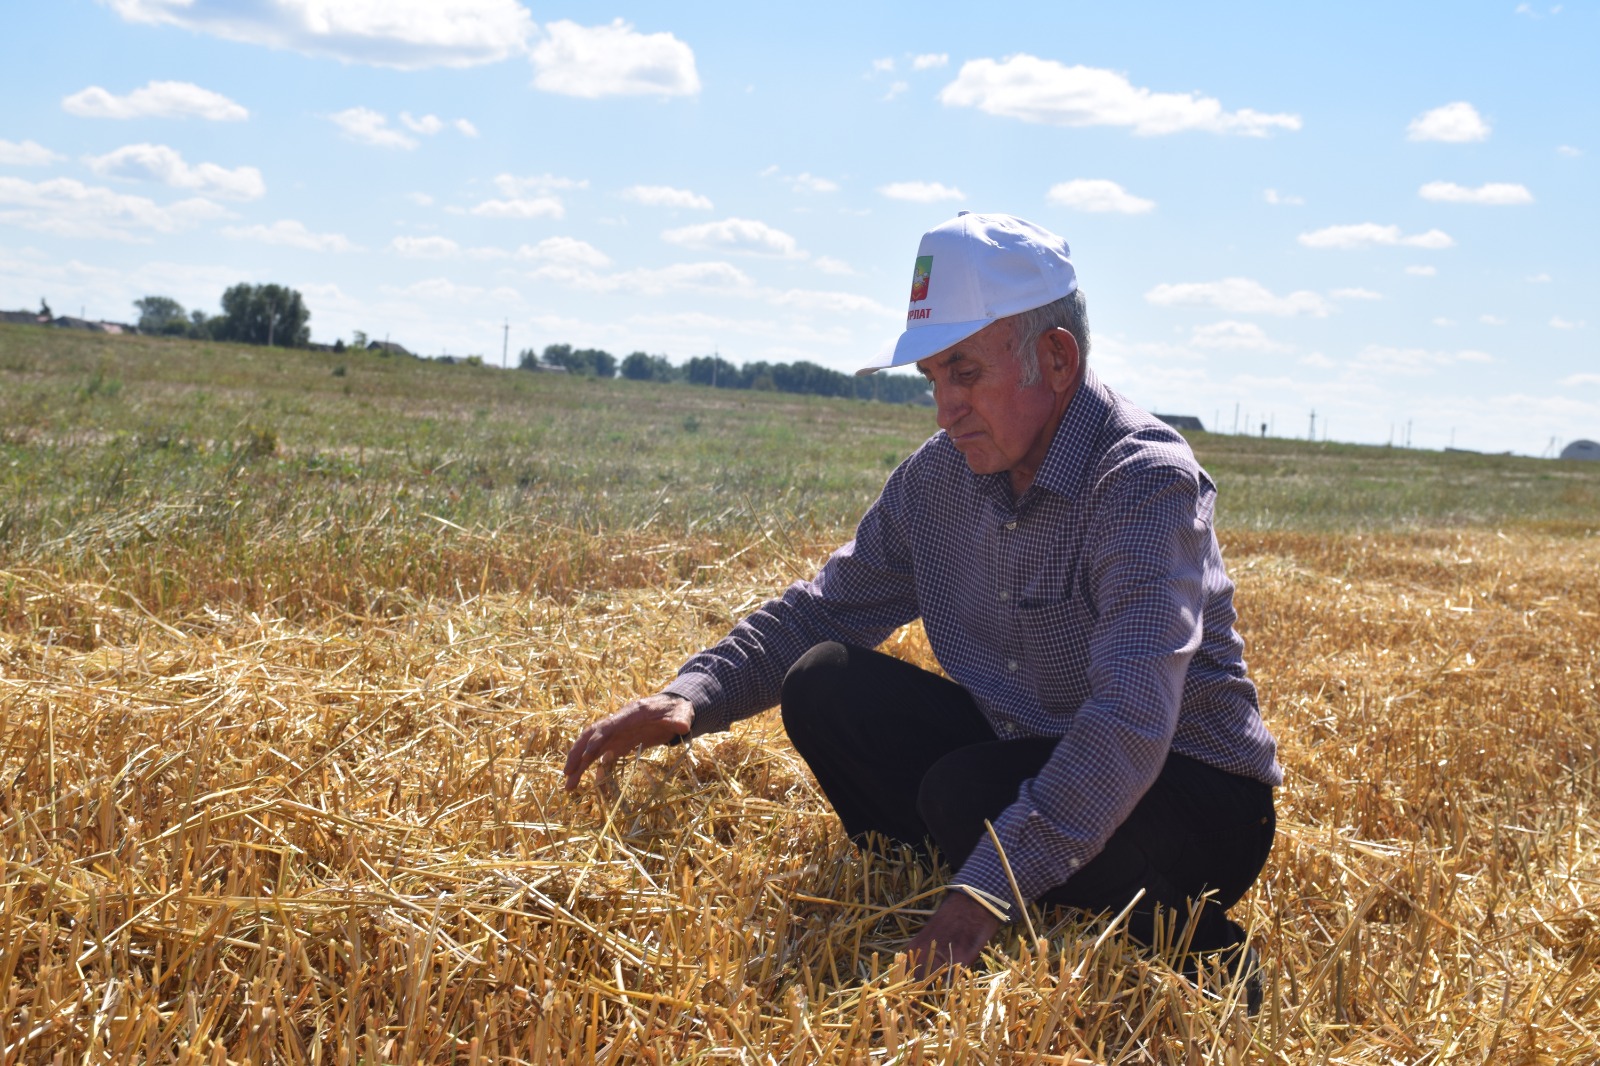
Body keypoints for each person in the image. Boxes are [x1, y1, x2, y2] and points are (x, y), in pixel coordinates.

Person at [564, 212, 1281, 1000]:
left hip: (1190, 795)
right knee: (825, 682)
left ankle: (1201, 952)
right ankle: (1001, 880)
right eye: (933, 378)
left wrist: (982, 894)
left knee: (967, 793)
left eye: (965, 372)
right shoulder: (937, 480)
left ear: (1056, 357)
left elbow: (1128, 722)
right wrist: (688, 697)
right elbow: (822, 612)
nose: (945, 407)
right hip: (1021, 753)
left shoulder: (1142, 482)